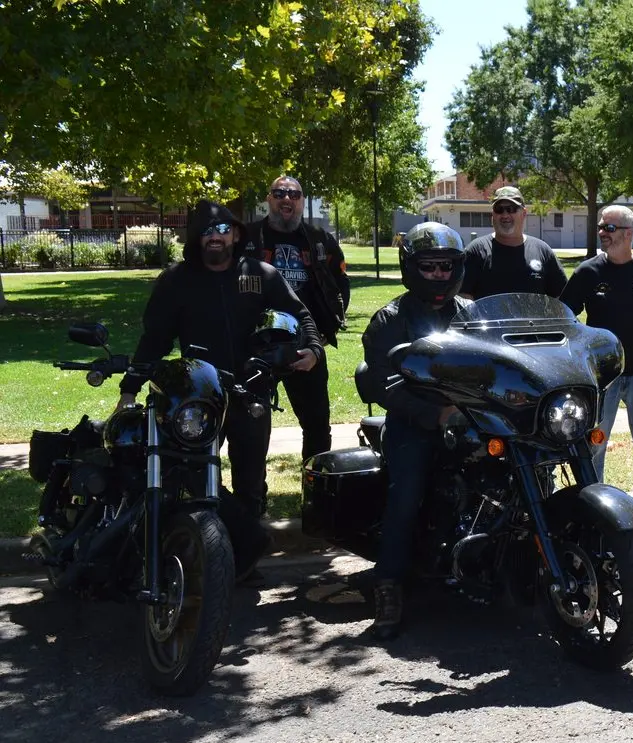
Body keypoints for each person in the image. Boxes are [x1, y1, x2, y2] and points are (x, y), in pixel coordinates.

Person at [116, 199, 324, 575]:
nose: (216, 237)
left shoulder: (261, 274)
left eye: (223, 230)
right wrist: (129, 389)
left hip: (250, 392)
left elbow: (301, 314)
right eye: (208, 231)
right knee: (189, 473)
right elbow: (154, 340)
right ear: (195, 237)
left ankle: (244, 560)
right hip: (194, 396)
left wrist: (312, 348)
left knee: (250, 481)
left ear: (236, 235)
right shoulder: (176, 281)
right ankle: (213, 546)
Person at [359, 222, 472, 641]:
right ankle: (388, 585)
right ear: (412, 269)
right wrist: (435, 414)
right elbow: (382, 384)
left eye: (447, 266)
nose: (440, 274)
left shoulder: (470, 313)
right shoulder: (391, 318)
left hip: (469, 420)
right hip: (412, 423)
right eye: (429, 267)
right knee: (407, 493)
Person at [560, 204, 633, 538]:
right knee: (595, 445)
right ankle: (594, 516)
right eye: (600, 227)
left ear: (628, 233)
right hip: (601, 378)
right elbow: (566, 320)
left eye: (608, 228)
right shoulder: (587, 273)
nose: (602, 233)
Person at [243, 175, 351, 461]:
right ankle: (253, 499)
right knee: (250, 424)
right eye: (279, 193)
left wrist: (326, 334)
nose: (286, 199)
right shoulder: (247, 238)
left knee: (317, 425)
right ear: (269, 199)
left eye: (294, 194)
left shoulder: (319, 241)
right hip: (256, 347)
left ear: (302, 201)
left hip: (306, 346)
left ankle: (315, 490)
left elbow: (340, 284)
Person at [460, 186, 567, 300]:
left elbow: (561, 297)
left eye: (511, 209)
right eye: (499, 209)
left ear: (524, 213)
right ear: (493, 215)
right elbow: (463, 297)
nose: (505, 215)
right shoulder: (475, 251)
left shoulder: (543, 251)